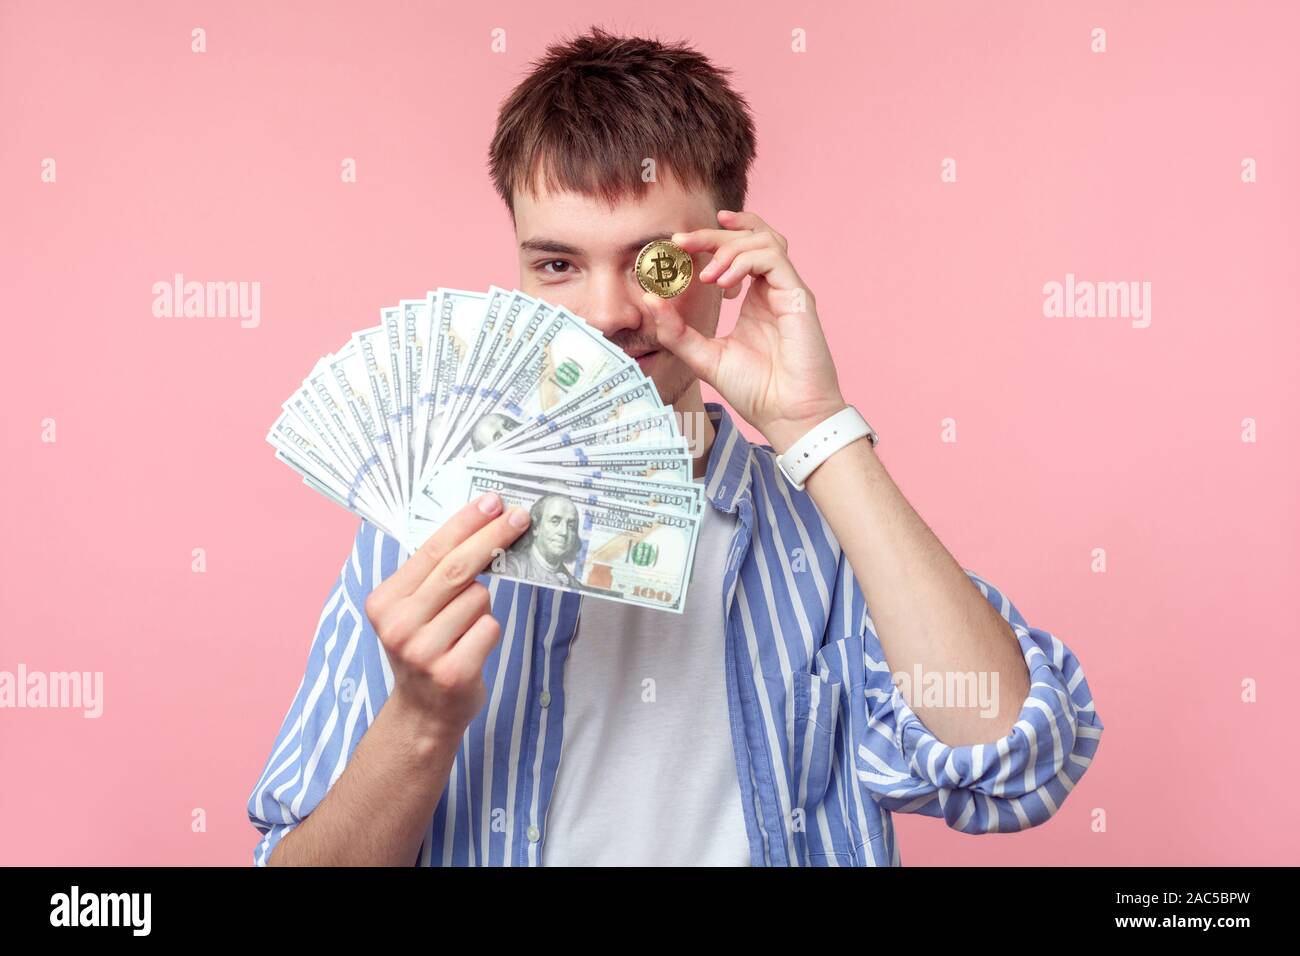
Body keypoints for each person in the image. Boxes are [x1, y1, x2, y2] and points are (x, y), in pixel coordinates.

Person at [248, 26, 1103, 866]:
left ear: (727, 255)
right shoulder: (420, 529)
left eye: (656, 263)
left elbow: (1011, 760)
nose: (610, 313)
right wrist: (422, 723)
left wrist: (814, 426)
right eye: (557, 266)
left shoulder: (825, 535)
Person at [492, 494, 582, 589]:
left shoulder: (575, 586)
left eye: (571, 526)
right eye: (555, 521)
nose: (564, 532)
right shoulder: (511, 567)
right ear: (535, 527)